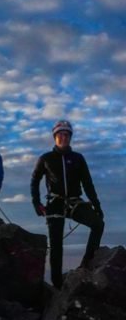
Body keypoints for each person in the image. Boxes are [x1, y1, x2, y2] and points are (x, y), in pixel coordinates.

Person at [30, 120, 104, 289]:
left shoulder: (78, 158)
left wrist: (97, 206)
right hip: (54, 203)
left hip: (74, 202)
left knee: (98, 224)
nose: (63, 137)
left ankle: (87, 263)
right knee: (56, 246)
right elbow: (34, 181)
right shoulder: (46, 158)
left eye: (67, 135)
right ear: (55, 137)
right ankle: (57, 286)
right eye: (60, 135)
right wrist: (36, 203)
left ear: (70, 137)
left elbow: (88, 183)